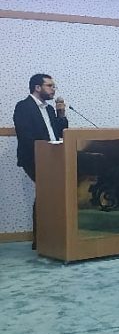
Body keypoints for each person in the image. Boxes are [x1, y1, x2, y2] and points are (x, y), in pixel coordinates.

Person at [14, 73, 69, 249]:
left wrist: (61, 113)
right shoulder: (23, 107)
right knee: (46, 194)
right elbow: (25, 136)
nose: (53, 89)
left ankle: (51, 236)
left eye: (54, 86)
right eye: (50, 86)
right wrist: (44, 151)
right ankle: (41, 240)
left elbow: (61, 133)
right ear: (37, 87)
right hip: (34, 158)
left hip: (53, 157)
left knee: (50, 195)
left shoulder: (50, 109)